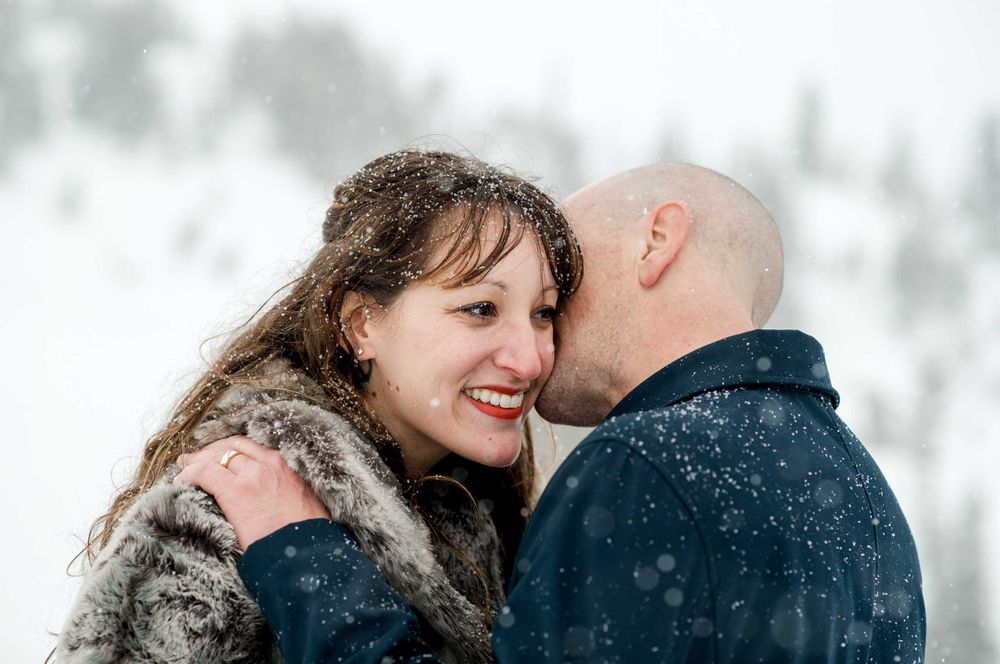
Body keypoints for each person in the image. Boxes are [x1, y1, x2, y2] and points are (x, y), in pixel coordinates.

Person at [180, 162, 927, 663]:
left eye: (554, 290)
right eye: (482, 306)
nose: (537, 346)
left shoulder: (648, 467)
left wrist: (303, 556)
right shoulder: (864, 498)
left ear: (657, 241)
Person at [54, 149, 584, 664]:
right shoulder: (226, 516)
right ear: (360, 325)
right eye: (480, 308)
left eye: (543, 312)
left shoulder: (476, 511)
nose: (530, 359)